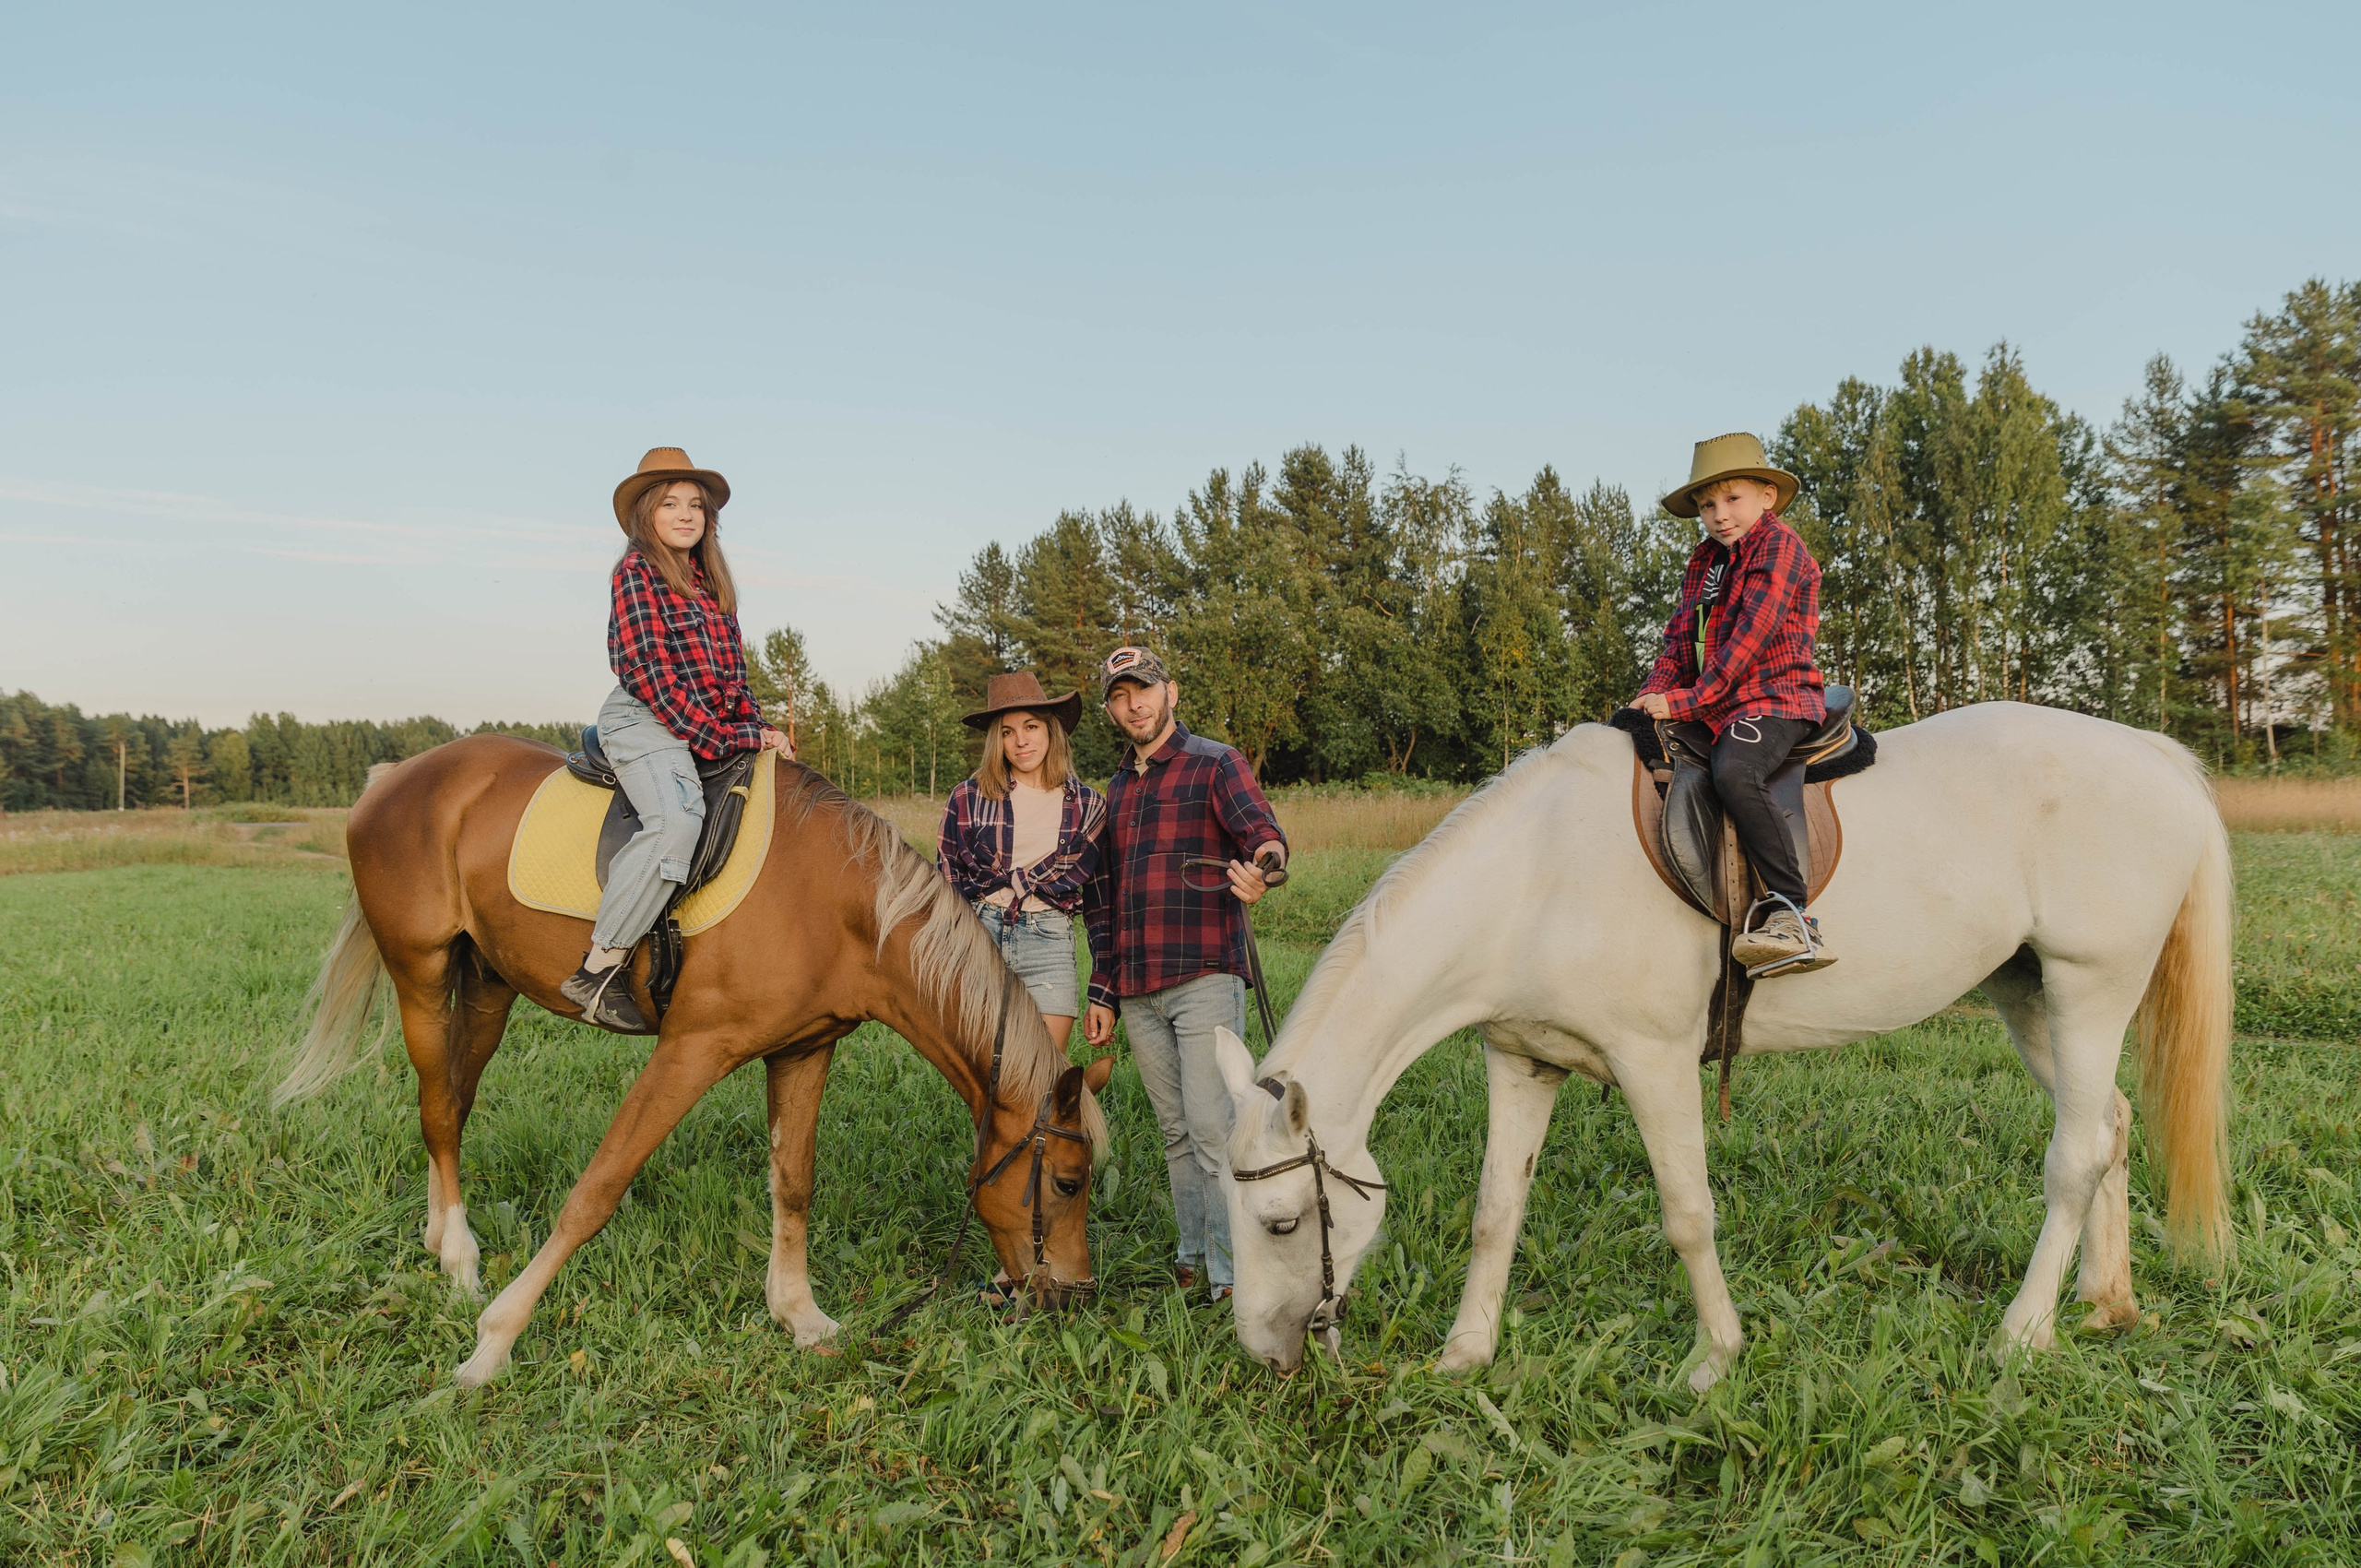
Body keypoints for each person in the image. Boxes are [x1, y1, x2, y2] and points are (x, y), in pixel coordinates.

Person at [560, 448, 792, 1031]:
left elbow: (735, 677)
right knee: (677, 820)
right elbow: (649, 674)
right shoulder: (636, 572)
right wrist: (727, 736)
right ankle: (599, 969)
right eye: (670, 504)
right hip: (646, 716)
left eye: (696, 505)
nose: (686, 514)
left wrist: (760, 728)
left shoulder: (713, 584)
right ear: (647, 514)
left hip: (702, 718)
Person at [1083, 647, 1287, 1301]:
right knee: (1175, 1132)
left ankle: (1231, 1271)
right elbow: (1107, 898)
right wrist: (1104, 990)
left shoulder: (1214, 762)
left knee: (1212, 1127)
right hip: (1138, 988)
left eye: (1142, 690)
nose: (1133, 705)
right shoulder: (1116, 790)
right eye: (1119, 696)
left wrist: (1264, 869)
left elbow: (1263, 834)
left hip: (1204, 974)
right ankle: (1192, 1253)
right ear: (1111, 709)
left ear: (1170, 692)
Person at [1630, 432, 1833, 973]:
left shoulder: (1779, 547)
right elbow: (1680, 639)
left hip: (1774, 697)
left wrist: (1685, 702)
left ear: (1767, 496)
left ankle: (1792, 915)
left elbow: (1750, 641)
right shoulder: (1706, 562)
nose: (1719, 515)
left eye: (1732, 498)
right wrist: (1650, 694)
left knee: (1736, 770)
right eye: (1706, 505)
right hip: (1716, 702)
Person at [935, 670, 1108, 1054]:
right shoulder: (968, 797)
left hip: (1049, 944)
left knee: (1042, 1071)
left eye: (1031, 726)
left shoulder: (1088, 805)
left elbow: (1101, 905)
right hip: (980, 937)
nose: (1021, 740)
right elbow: (946, 886)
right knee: (983, 1073)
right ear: (996, 741)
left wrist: (1102, 991)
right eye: (1007, 732)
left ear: (1050, 730)